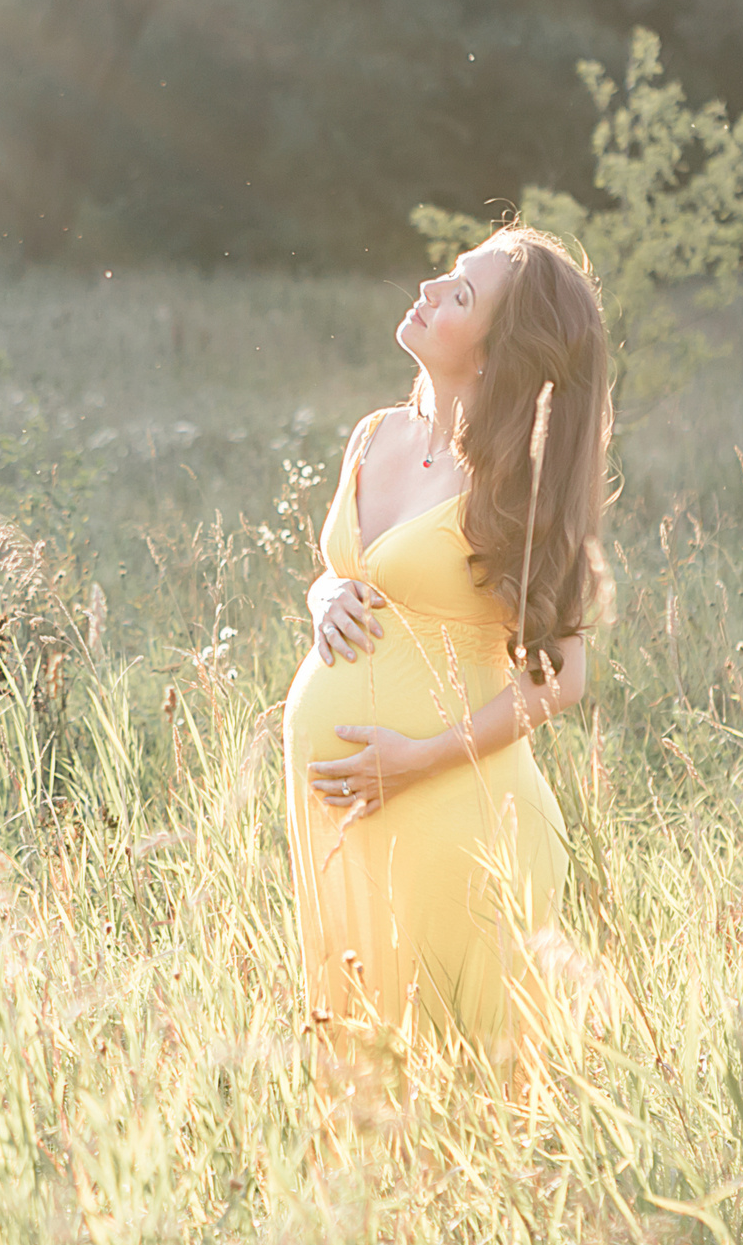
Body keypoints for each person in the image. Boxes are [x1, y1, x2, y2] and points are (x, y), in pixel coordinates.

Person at [285, 223, 611, 1090]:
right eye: (448, 274)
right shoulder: (376, 434)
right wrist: (323, 594)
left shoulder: (517, 481)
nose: (430, 287)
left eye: (461, 294)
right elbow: (350, 571)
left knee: (461, 1093)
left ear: (497, 352)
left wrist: (414, 762)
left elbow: (562, 678)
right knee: (360, 1078)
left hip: (454, 815)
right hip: (345, 818)